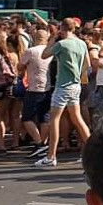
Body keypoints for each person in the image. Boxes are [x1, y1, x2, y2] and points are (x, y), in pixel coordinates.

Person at [37, 20, 91, 168]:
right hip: (76, 85)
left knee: (54, 119)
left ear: (62, 28)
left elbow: (44, 55)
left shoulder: (62, 44)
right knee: (77, 118)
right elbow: (88, 63)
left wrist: (52, 39)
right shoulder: (81, 43)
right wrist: (78, 74)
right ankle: (92, 151)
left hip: (62, 85)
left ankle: (51, 156)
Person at [19, 28, 53, 158]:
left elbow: (20, 66)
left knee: (27, 117)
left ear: (35, 37)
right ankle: (42, 143)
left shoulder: (31, 51)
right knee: (44, 117)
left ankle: (39, 143)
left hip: (33, 87)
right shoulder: (51, 51)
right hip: (47, 86)